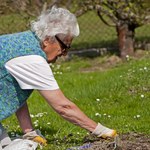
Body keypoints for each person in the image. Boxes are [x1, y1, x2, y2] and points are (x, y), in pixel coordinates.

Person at [0, 6, 117, 148]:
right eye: (65, 47)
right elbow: (63, 106)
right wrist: (101, 131)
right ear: (48, 40)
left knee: (7, 144)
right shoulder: (32, 59)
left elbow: (16, 93)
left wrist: (29, 132)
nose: (64, 53)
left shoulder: (25, 40)